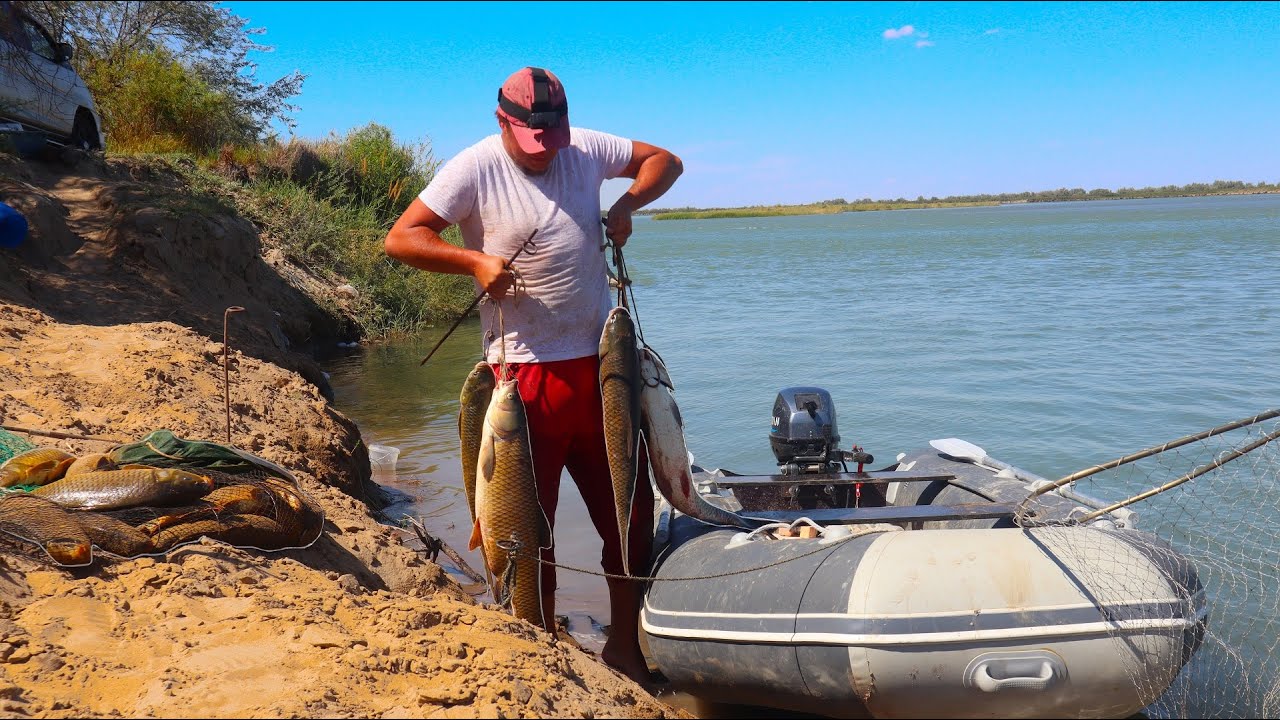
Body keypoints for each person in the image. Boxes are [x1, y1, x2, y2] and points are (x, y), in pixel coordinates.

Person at [384, 66, 682, 687]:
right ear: (503, 122)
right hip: (521, 385)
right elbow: (403, 238)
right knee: (524, 527)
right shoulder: (472, 168)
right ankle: (539, 645)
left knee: (629, 521)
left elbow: (665, 161)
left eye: (555, 134)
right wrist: (472, 260)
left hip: (602, 377)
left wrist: (626, 203)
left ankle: (623, 649)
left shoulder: (586, 148)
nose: (545, 149)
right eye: (531, 138)